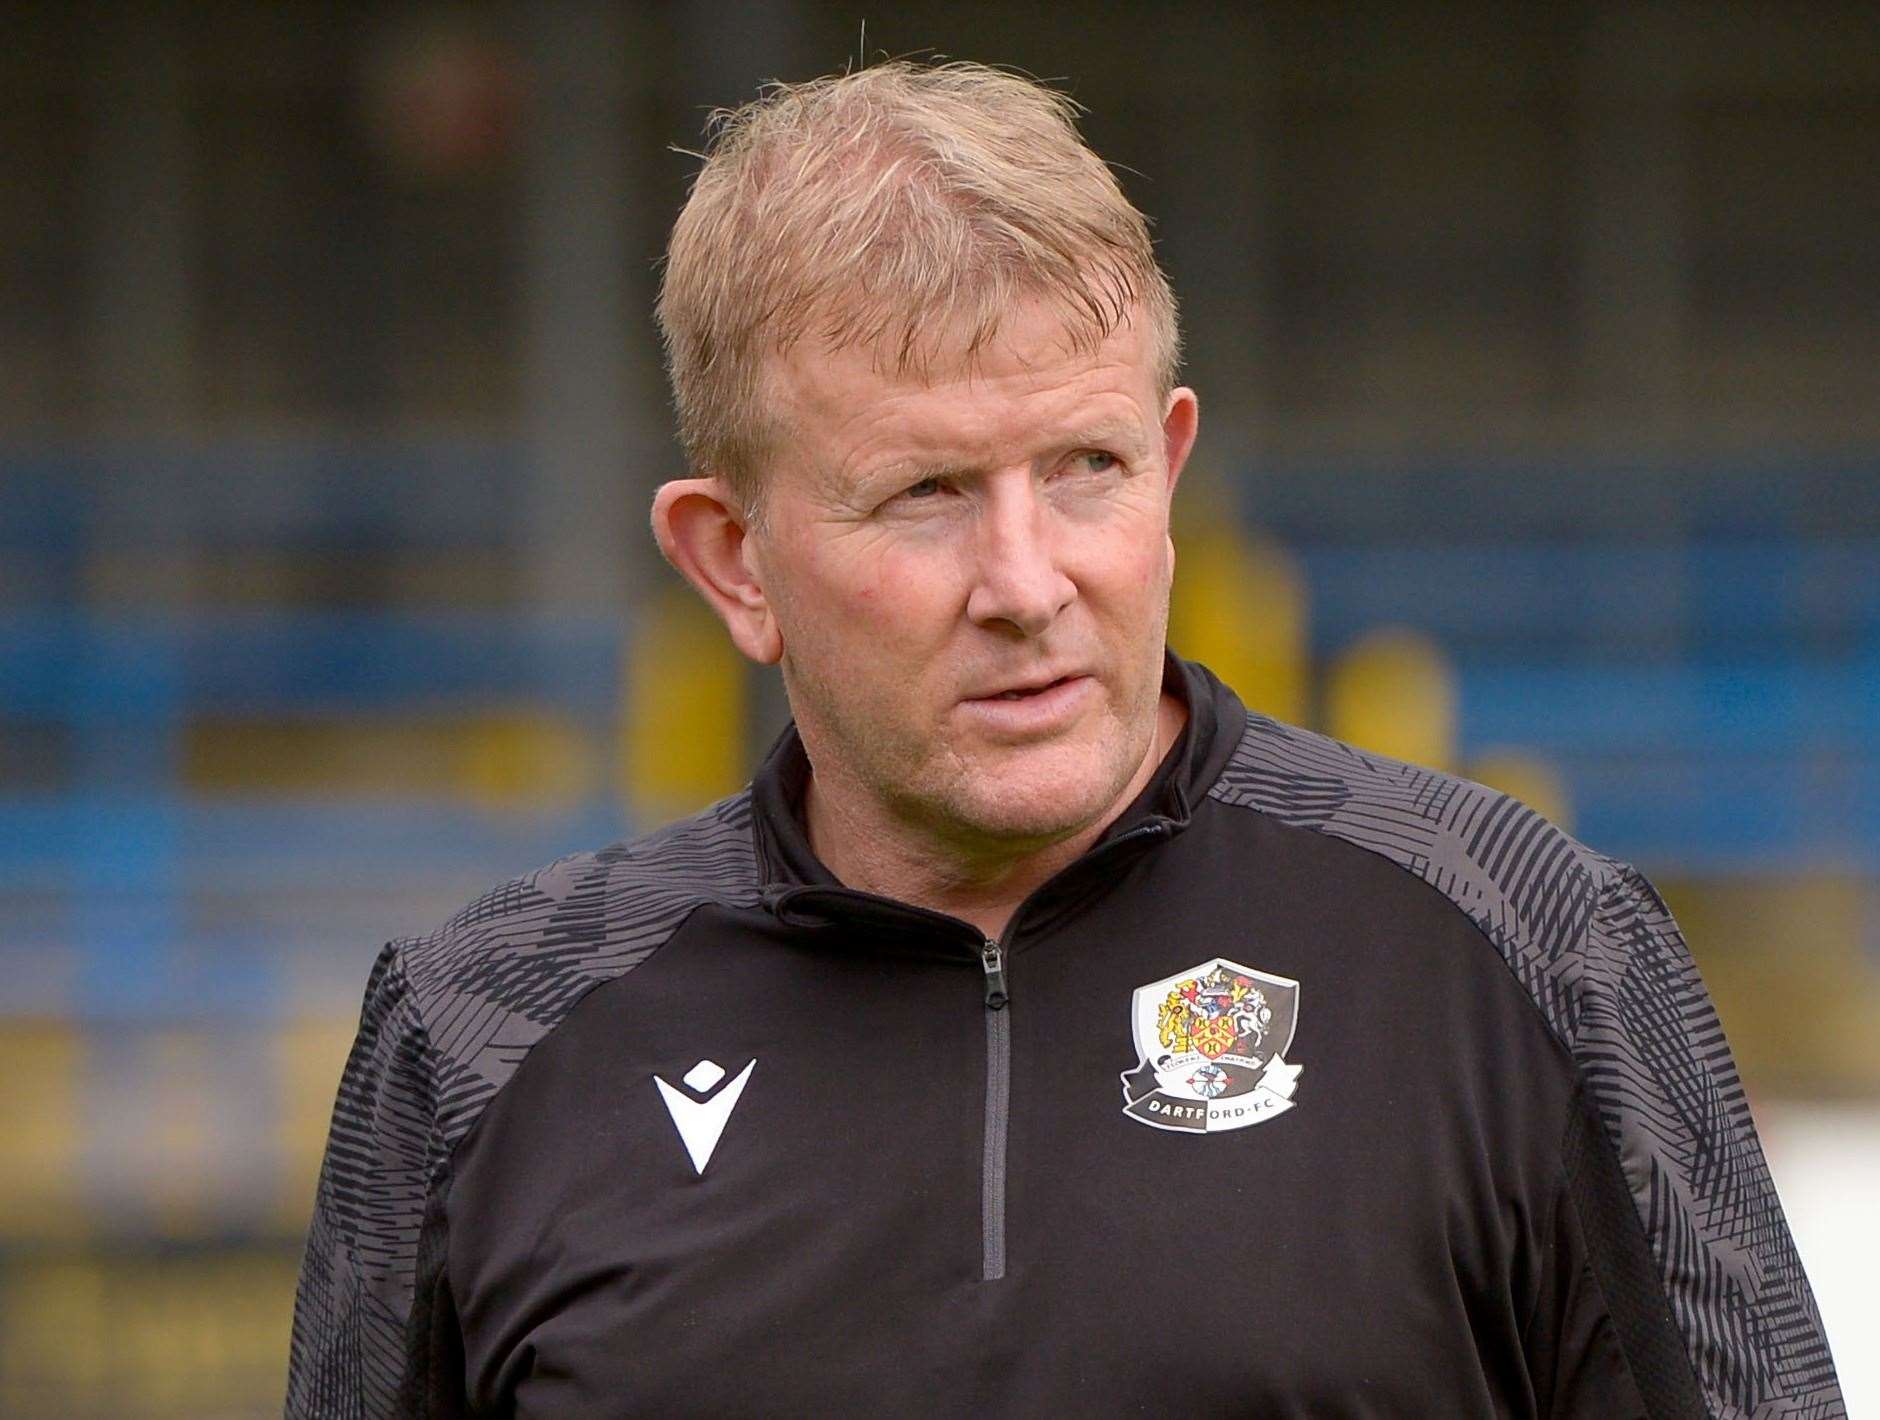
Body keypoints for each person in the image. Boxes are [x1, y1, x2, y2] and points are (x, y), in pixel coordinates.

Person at [286, 61, 1842, 1418]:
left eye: (1086, 467)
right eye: (926, 494)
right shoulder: (481, 1038)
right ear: (734, 561)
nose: (1029, 585)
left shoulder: (1535, 952)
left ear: (1170, 463)